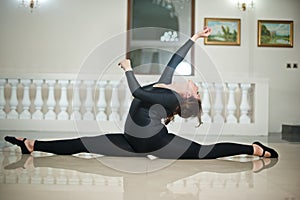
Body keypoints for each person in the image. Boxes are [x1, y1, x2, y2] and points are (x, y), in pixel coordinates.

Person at [4, 27, 278, 159]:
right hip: (131, 141)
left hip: (156, 144)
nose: (196, 85)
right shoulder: (167, 85)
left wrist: (128, 68)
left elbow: (137, 92)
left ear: (187, 98)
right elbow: (173, 61)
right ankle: (32, 144)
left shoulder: (171, 98)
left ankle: (253, 149)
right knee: (82, 143)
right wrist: (194, 39)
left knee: (205, 153)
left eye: (197, 91)